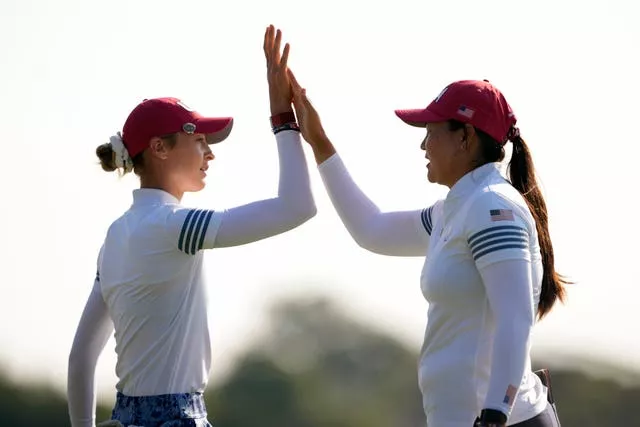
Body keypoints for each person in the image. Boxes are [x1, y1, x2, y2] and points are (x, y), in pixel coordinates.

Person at [66, 25, 315, 427]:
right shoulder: (175, 226)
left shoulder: (115, 235)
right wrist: (283, 119)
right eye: (198, 140)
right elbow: (297, 207)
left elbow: (81, 357)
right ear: (159, 148)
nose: (209, 154)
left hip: (123, 416)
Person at [287, 73, 567, 427]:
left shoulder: (491, 206)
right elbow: (372, 229)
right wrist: (320, 143)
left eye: (431, 131)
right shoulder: (457, 208)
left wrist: (495, 413)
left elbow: (515, 318)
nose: (423, 145)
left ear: (464, 136)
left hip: (504, 422)